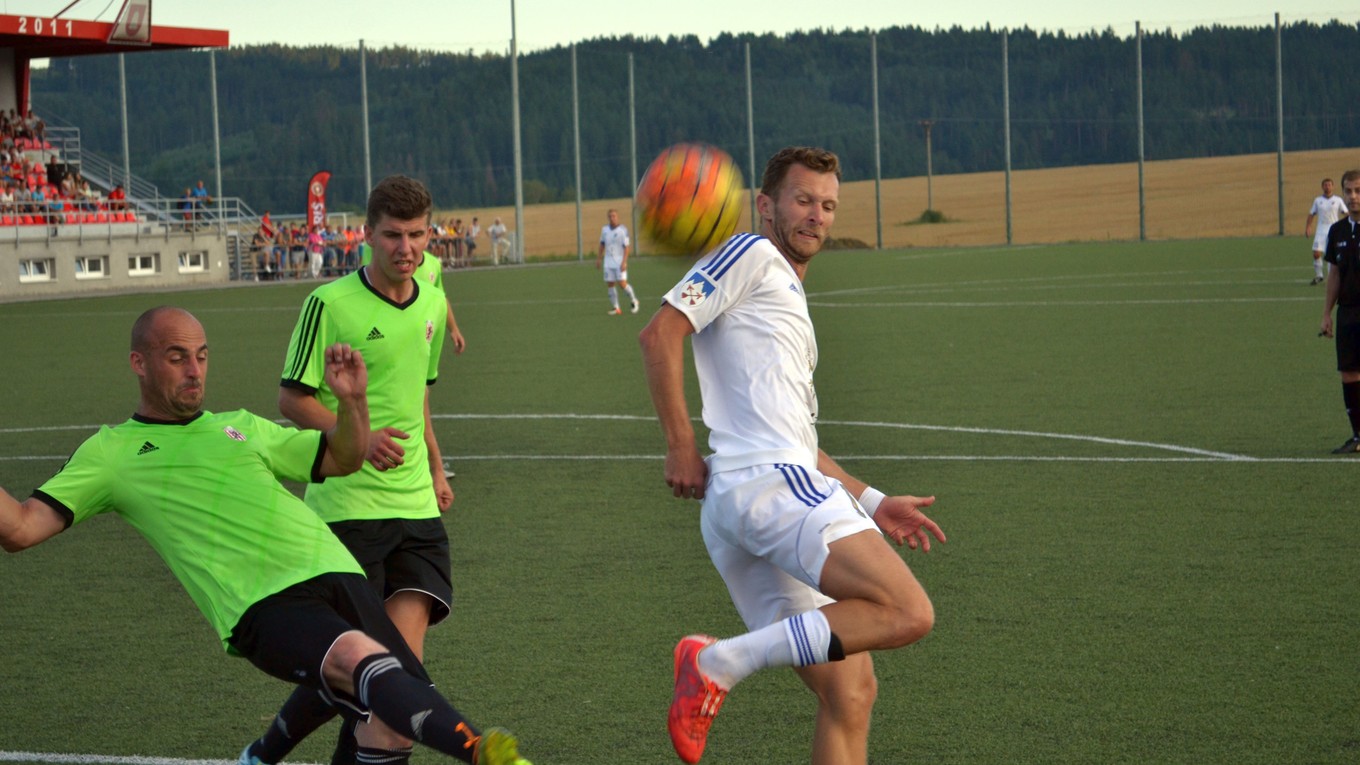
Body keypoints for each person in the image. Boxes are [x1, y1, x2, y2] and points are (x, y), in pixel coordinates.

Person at [0, 306, 531, 765]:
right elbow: (21, 528)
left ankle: (264, 754)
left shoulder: (240, 426)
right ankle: (480, 749)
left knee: (391, 723)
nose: (194, 370)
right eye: (177, 356)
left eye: (202, 355)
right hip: (261, 599)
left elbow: (342, 457)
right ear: (139, 362)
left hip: (338, 573)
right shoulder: (112, 452)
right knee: (357, 663)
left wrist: (352, 405)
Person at [638, 146, 946, 765]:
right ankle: (717, 660)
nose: (817, 216)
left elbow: (800, 441)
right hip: (768, 489)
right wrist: (679, 445)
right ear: (766, 203)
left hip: (754, 499)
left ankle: (721, 662)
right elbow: (660, 332)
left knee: (850, 692)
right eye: (803, 200)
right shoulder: (751, 252)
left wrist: (875, 502)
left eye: (828, 205)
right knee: (908, 611)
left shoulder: (784, 295)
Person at [241, 175, 462, 765]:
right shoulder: (328, 304)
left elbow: (418, 397)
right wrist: (356, 444)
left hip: (415, 507)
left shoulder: (434, 303)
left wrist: (437, 470)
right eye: (392, 235)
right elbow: (293, 399)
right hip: (346, 510)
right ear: (366, 235)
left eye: (417, 235)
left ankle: (266, 754)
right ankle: (265, 752)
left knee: (395, 675)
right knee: (369, 672)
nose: (406, 248)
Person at [1318, 169, 1360, 453]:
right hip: (1348, 312)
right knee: (1349, 373)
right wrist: (1326, 313)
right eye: (1348, 191)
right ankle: (1358, 436)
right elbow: (1333, 274)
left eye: (1358, 190)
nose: (1353, 197)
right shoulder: (1338, 231)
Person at [1307, 177, 1349, 286]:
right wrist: (1308, 227)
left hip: (1334, 230)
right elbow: (1311, 214)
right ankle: (1319, 275)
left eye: (1329, 185)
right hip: (1320, 230)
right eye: (1325, 185)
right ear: (1322, 187)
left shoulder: (1338, 200)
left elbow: (1346, 213)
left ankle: (1332, 278)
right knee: (1316, 254)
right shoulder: (1317, 200)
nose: (1327, 187)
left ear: (1333, 186)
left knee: (1332, 256)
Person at [598, 208, 638, 315]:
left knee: (622, 284)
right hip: (608, 262)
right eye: (610, 216)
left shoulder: (623, 230)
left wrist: (624, 262)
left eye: (614, 216)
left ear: (617, 217)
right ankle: (616, 308)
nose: (612, 218)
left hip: (619, 261)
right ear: (608, 218)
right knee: (610, 284)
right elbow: (602, 244)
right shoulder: (604, 230)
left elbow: (626, 247)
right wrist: (599, 259)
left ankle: (634, 300)